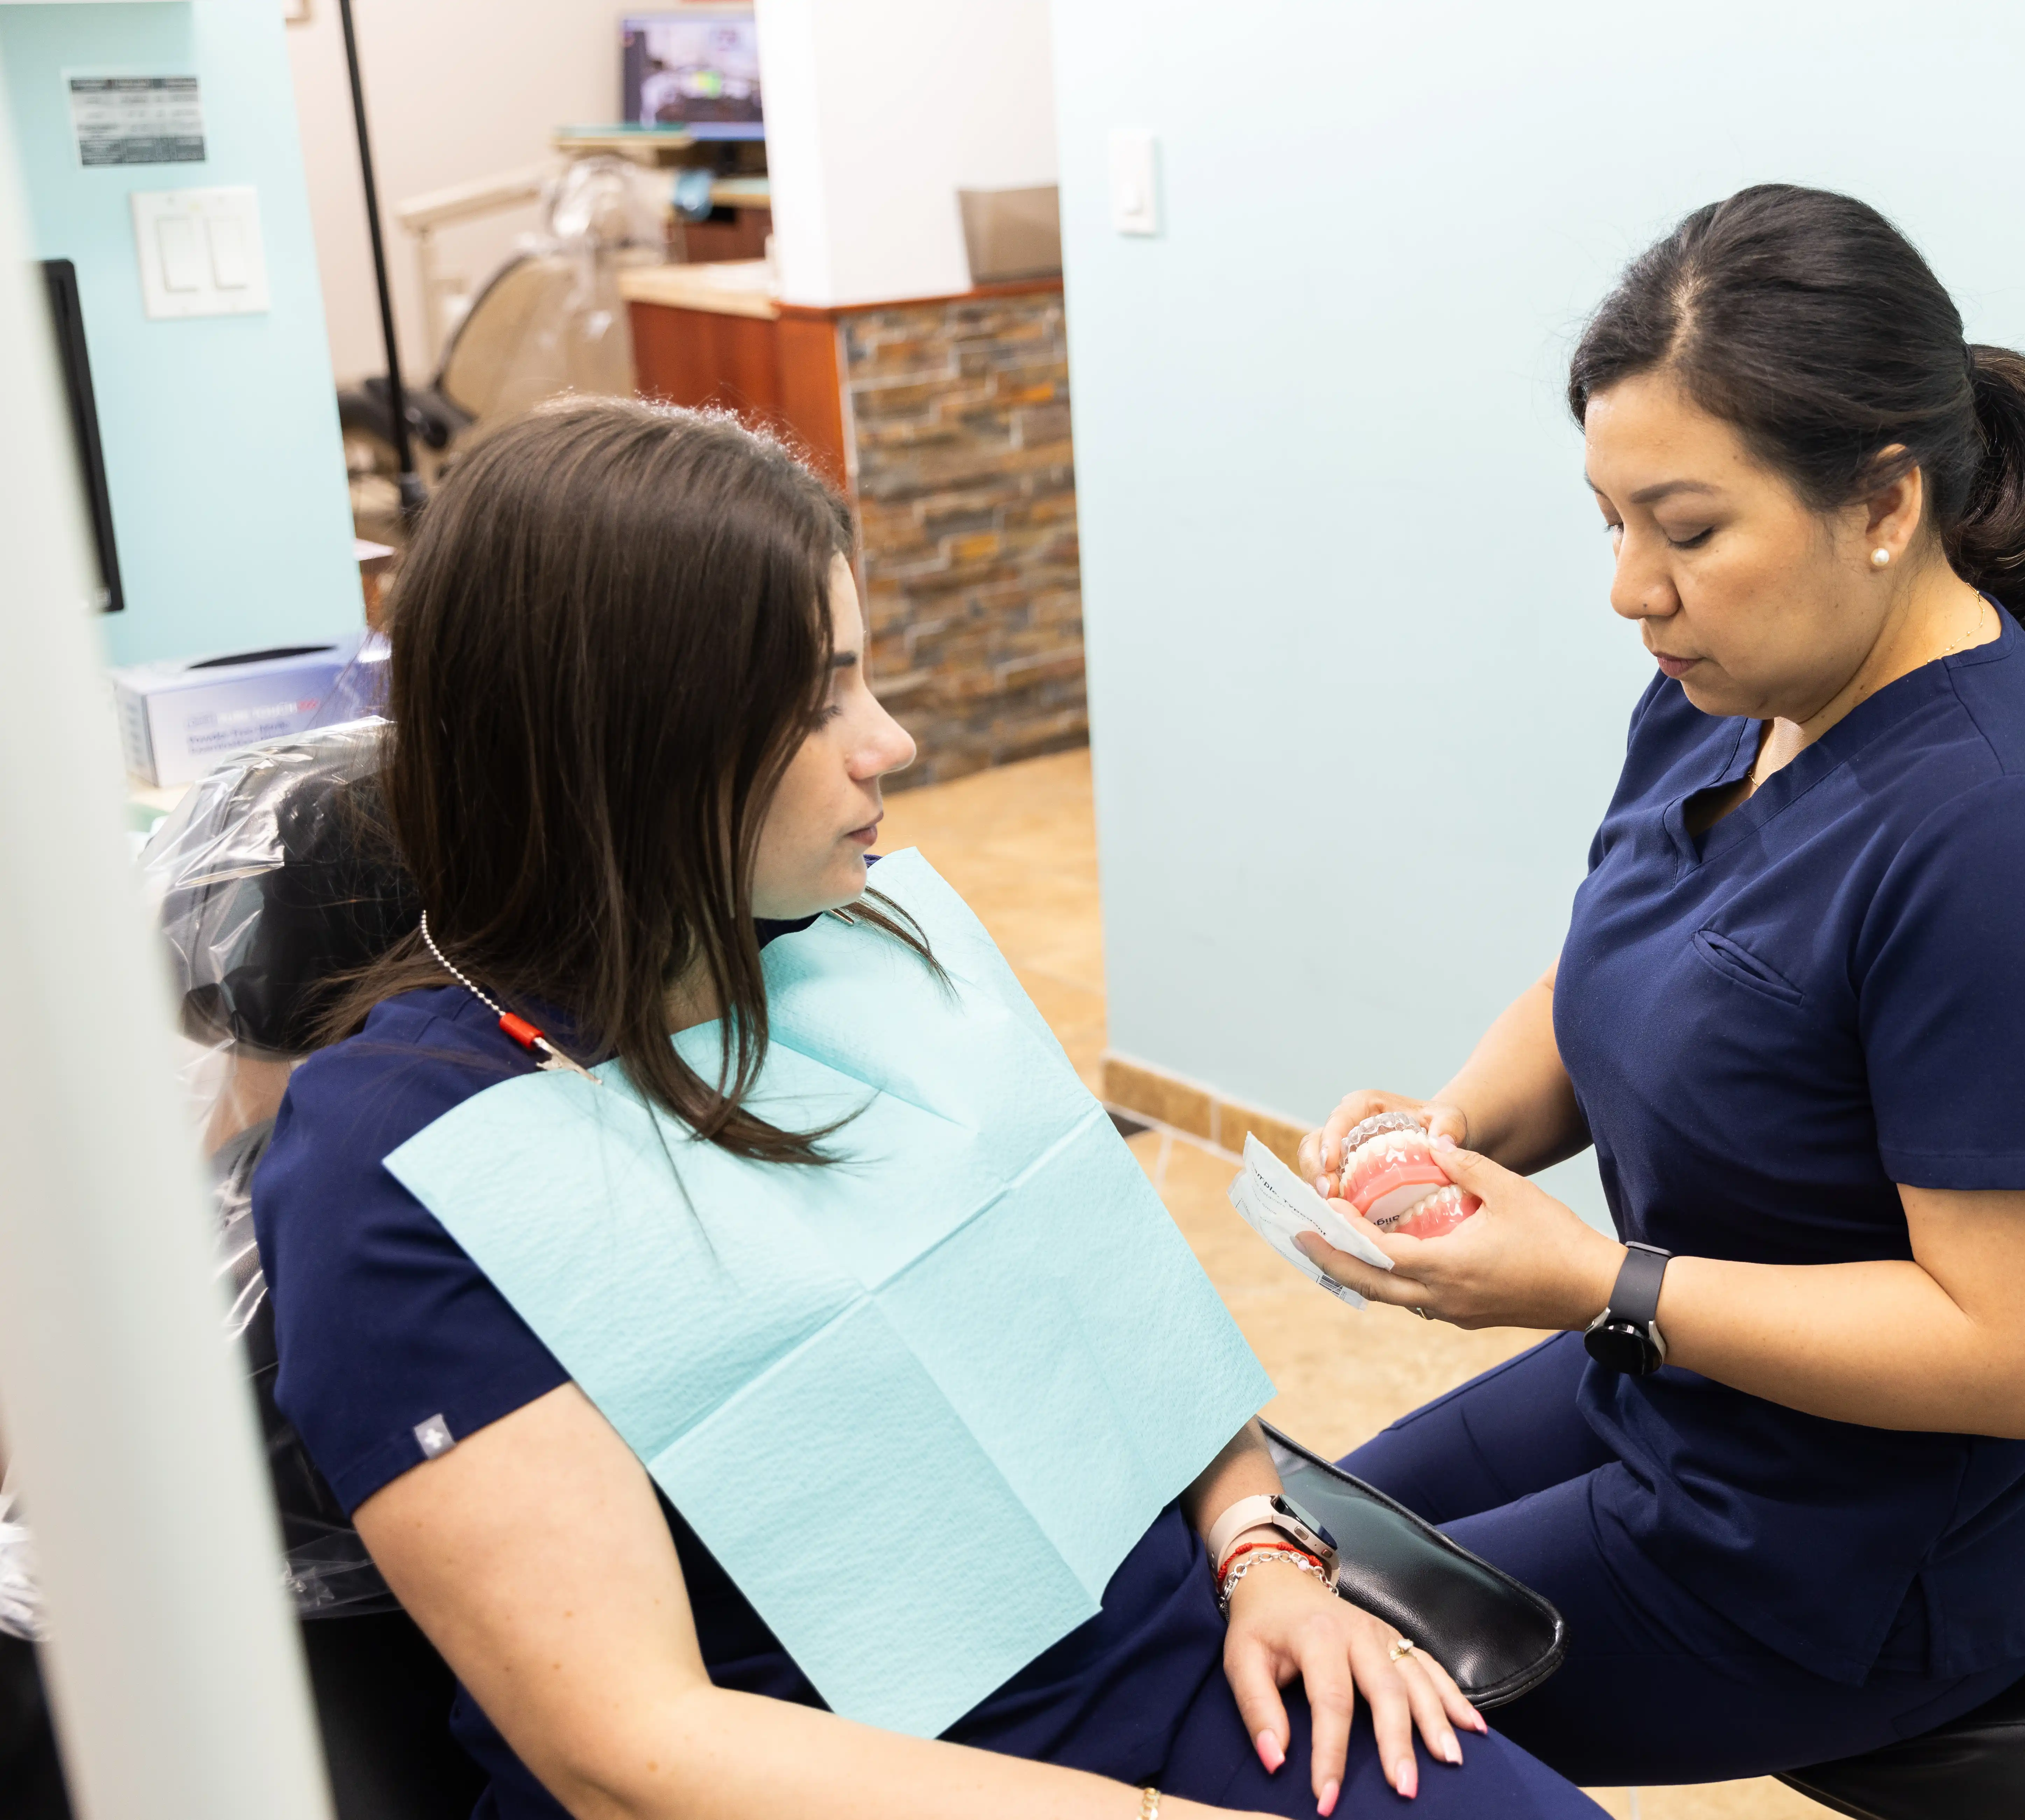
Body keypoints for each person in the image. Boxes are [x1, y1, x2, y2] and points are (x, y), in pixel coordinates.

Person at [250, 400, 1603, 1820]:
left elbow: (1125, 1333)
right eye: (816, 702)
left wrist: (1263, 1555)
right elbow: (626, 1747)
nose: (886, 742)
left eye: (865, 678)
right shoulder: (401, 1154)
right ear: (630, 746)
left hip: (1177, 1658)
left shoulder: (867, 944)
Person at [1292, 185, 2025, 1785]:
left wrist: (1598, 1282)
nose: (1632, 587)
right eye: (1611, 522)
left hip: (1848, 1557)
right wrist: (1448, 1134)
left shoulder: (2008, 841)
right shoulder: (1729, 693)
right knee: (1267, 1553)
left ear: (1881, 502)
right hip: (1671, 1400)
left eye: (1686, 530)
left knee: (1284, 1700)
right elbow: (1615, 968)